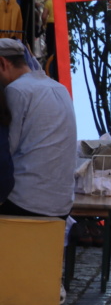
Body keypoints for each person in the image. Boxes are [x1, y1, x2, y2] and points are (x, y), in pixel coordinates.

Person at [0, 38, 76, 219]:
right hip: (62, 202)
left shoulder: (16, 91)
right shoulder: (59, 88)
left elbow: (6, 150)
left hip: (26, 201)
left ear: (3, 63)